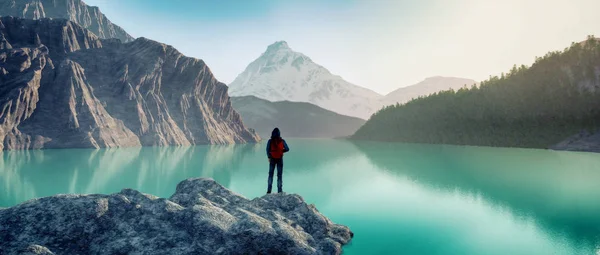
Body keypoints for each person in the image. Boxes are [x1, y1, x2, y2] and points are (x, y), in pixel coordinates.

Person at [266, 127, 289, 194]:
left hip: (272, 158)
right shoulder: (282, 141)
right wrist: (281, 151)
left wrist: (269, 157)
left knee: (270, 175)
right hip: (280, 158)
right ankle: (279, 191)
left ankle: (269, 191)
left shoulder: (270, 141)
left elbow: (267, 150)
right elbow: (287, 149)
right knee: (279, 175)